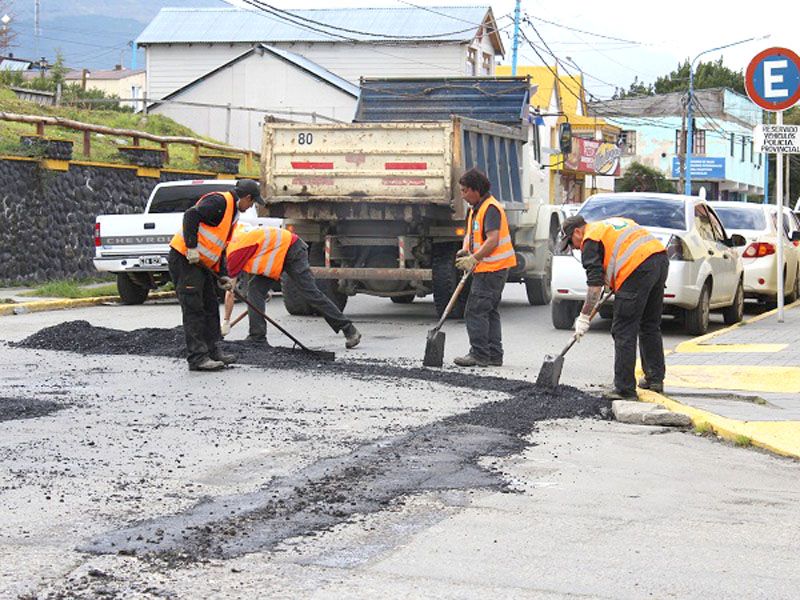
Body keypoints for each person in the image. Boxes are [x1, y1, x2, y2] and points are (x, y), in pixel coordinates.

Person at [559, 215, 669, 398]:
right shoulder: (606, 227)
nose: (574, 247)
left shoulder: (590, 240)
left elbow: (594, 286)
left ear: (577, 231)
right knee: (650, 325)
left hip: (638, 267)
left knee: (623, 329)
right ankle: (655, 379)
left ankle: (624, 389)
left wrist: (584, 317)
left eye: (571, 242)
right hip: (659, 259)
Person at [168, 179, 261, 371]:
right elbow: (190, 215)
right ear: (247, 197)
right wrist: (191, 247)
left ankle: (212, 351)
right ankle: (198, 358)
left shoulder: (233, 213)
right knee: (194, 308)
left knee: (210, 306)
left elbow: (219, 246)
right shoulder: (220, 202)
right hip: (186, 260)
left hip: (202, 264)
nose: (251, 206)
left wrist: (223, 274)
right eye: (252, 202)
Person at [220, 223, 362, 349]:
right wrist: (264, 288)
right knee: (255, 289)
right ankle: (257, 337)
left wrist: (226, 321)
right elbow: (257, 252)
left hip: (292, 249)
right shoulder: (236, 230)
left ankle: (349, 330)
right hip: (276, 253)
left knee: (310, 294)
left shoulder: (234, 252)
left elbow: (230, 291)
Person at [452, 168, 516, 367]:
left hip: (492, 269)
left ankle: (479, 354)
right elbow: (471, 235)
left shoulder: (490, 208)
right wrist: (465, 250)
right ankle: (494, 354)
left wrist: (473, 259)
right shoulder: (476, 209)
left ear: (475, 189)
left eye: (464, 191)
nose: (462, 195)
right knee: (489, 311)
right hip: (490, 268)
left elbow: (493, 240)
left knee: (475, 311)